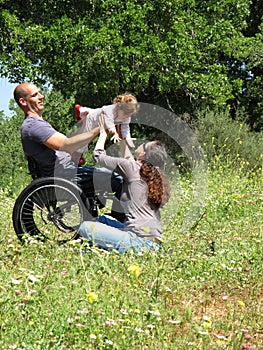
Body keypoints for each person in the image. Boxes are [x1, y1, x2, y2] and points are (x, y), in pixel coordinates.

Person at [13, 82, 124, 219]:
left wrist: (89, 124)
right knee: (121, 180)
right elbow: (67, 144)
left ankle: (107, 223)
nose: (41, 96)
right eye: (35, 95)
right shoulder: (33, 126)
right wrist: (99, 129)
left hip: (68, 171)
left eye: (40, 93)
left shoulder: (39, 124)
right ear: (23, 101)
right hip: (64, 177)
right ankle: (119, 226)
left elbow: (70, 144)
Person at [78, 115, 171, 253]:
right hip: (154, 242)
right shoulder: (155, 174)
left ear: (143, 154)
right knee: (102, 219)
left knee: (84, 227)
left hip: (138, 242)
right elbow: (128, 158)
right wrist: (119, 132)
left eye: (144, 144)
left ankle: (94, 250)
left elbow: (98, 156)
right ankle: (95, 250)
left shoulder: (132, 167)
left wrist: (103, 133)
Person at [73, 93, 139, 163]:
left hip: (99, 115)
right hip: (93, 120)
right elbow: (109, 123)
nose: (126, 117)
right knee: (85, 138)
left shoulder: (126, 117)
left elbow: (125, 128)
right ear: (119, 107)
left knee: (94, 111)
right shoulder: (111, 111)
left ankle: (81, 110)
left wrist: (128, 139)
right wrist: (114, 133)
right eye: (125, 114)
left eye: (129, 115)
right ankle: (77, 154)